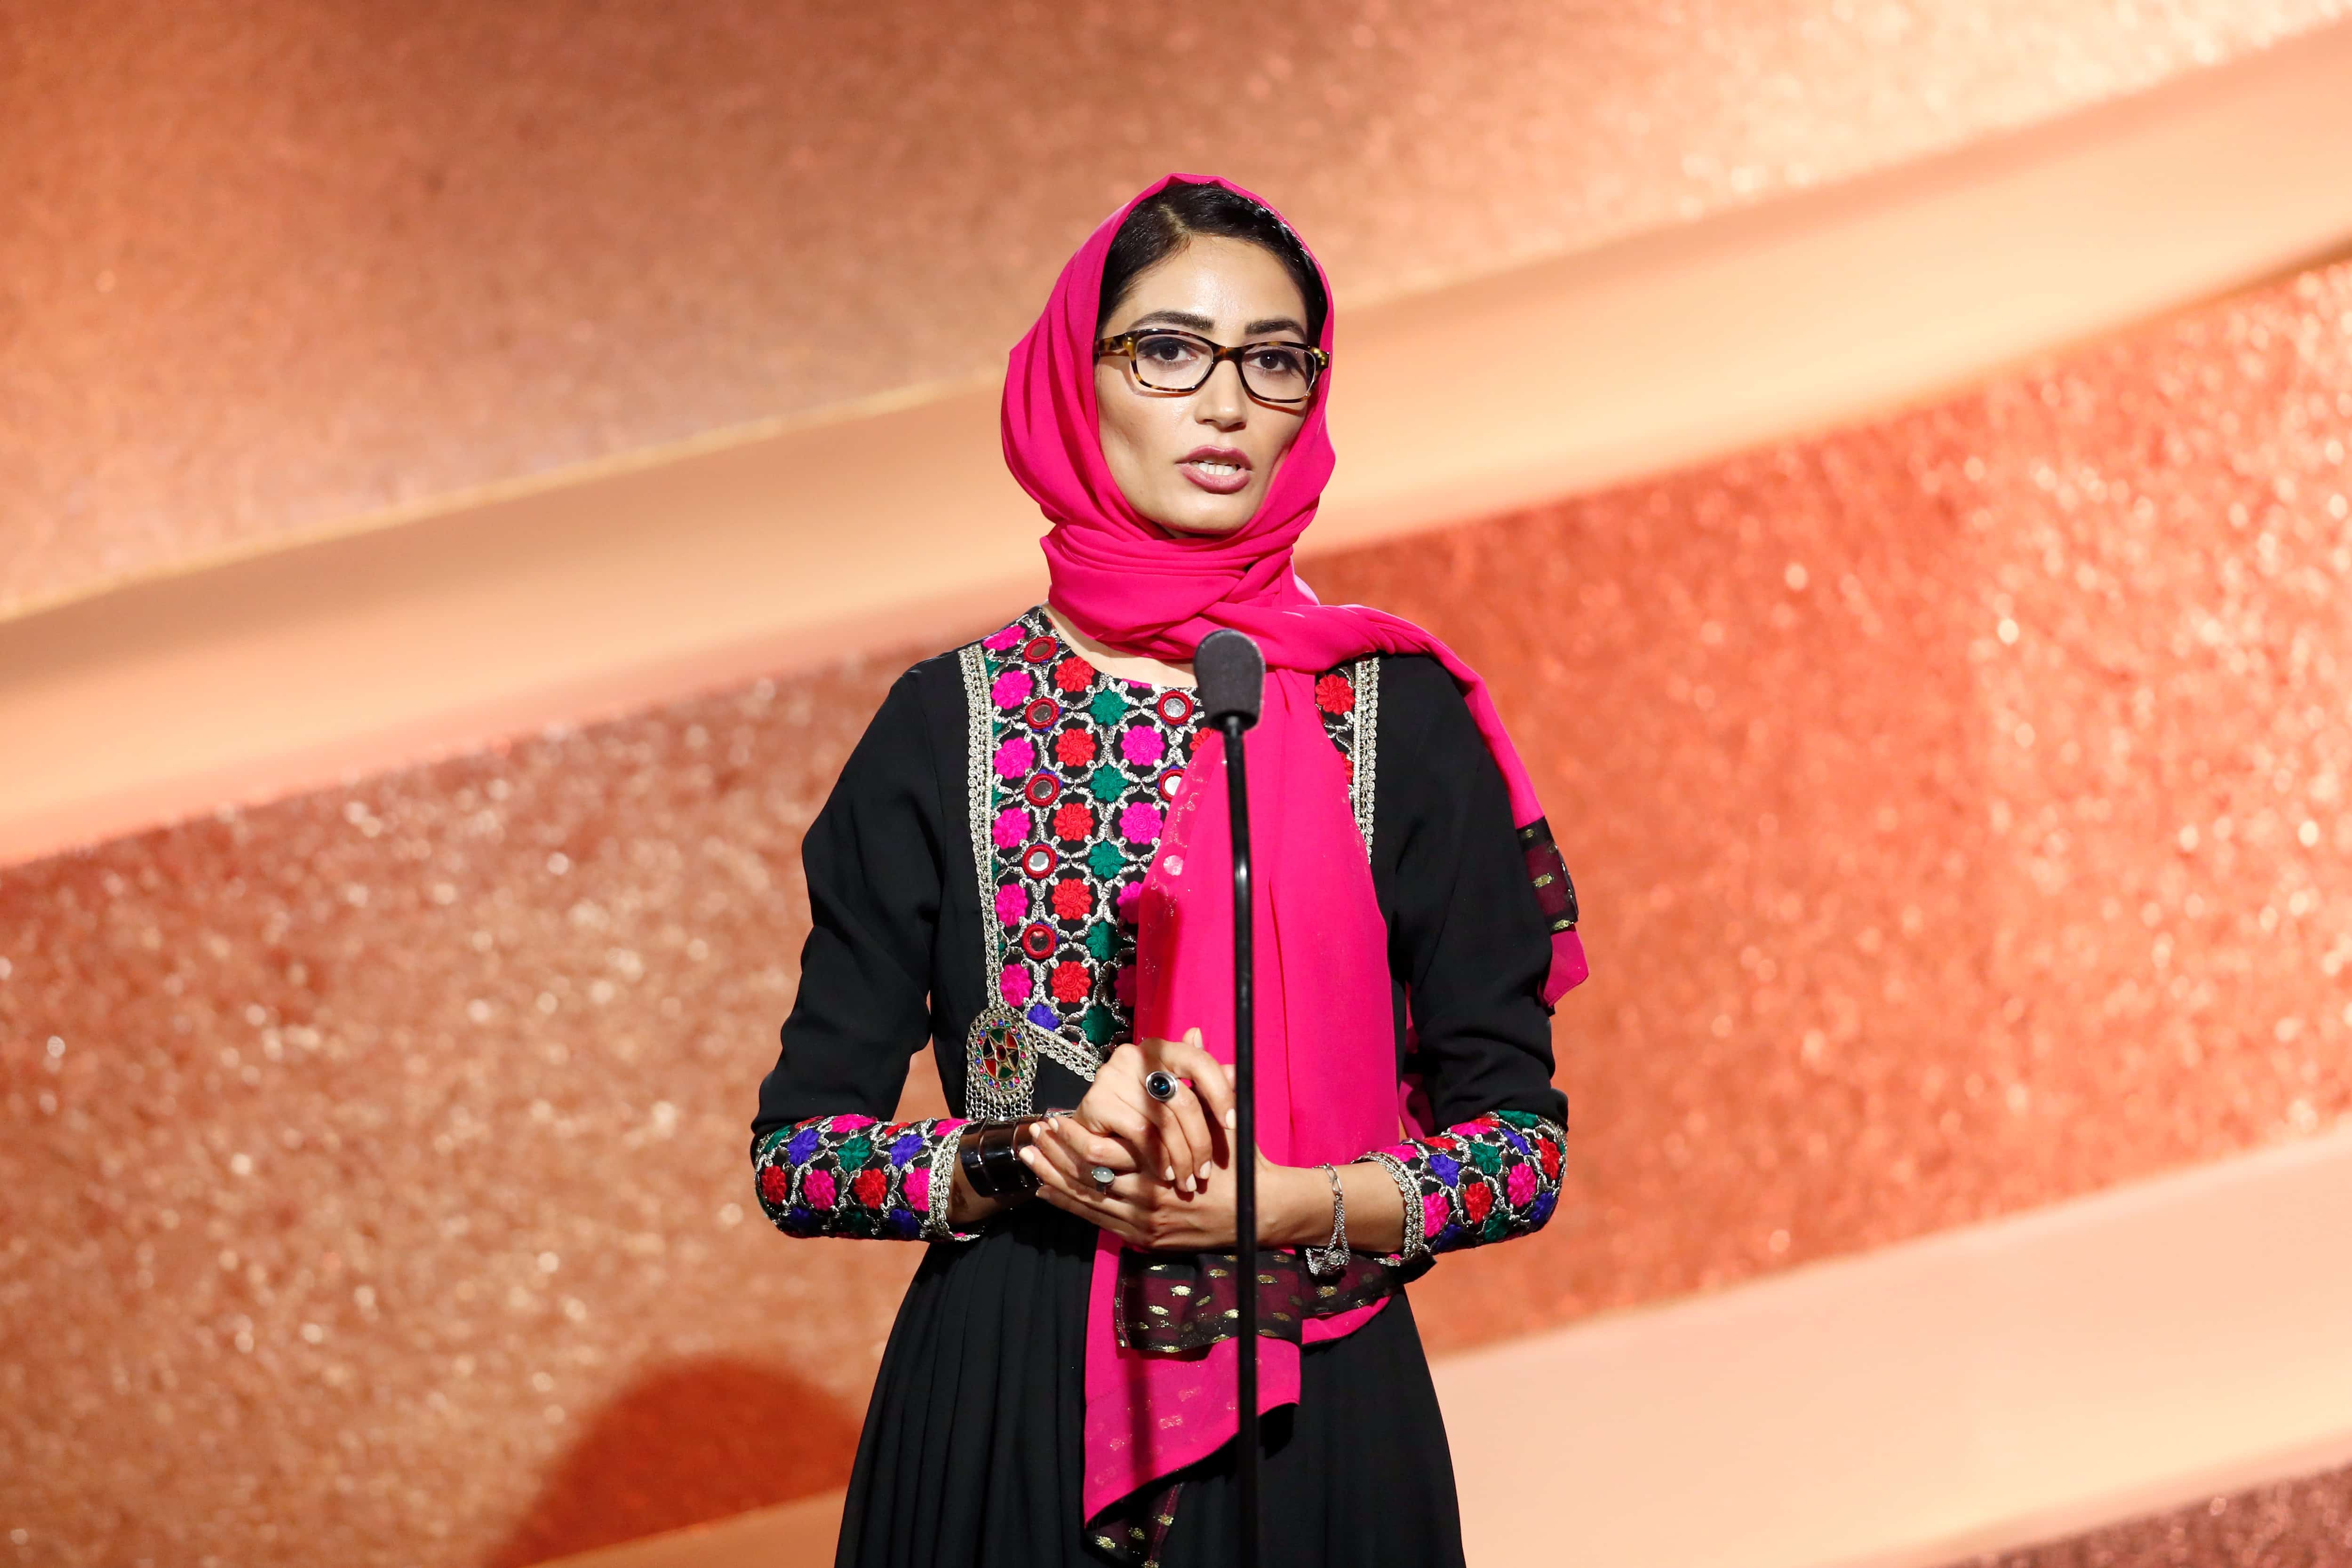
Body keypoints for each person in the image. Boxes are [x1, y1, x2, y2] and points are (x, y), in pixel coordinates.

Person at [749, 171, 1588, 1568]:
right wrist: (1026, 1159)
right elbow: (799, 1156)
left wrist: (1299, 1201)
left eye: (1273, 360)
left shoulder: (1393, 710)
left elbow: (1522, 1152)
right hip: (1012, 1393)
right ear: (1077, 385)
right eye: (1167, 349)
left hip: (1320, 1403)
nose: (1225, 402)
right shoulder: (944, 723)